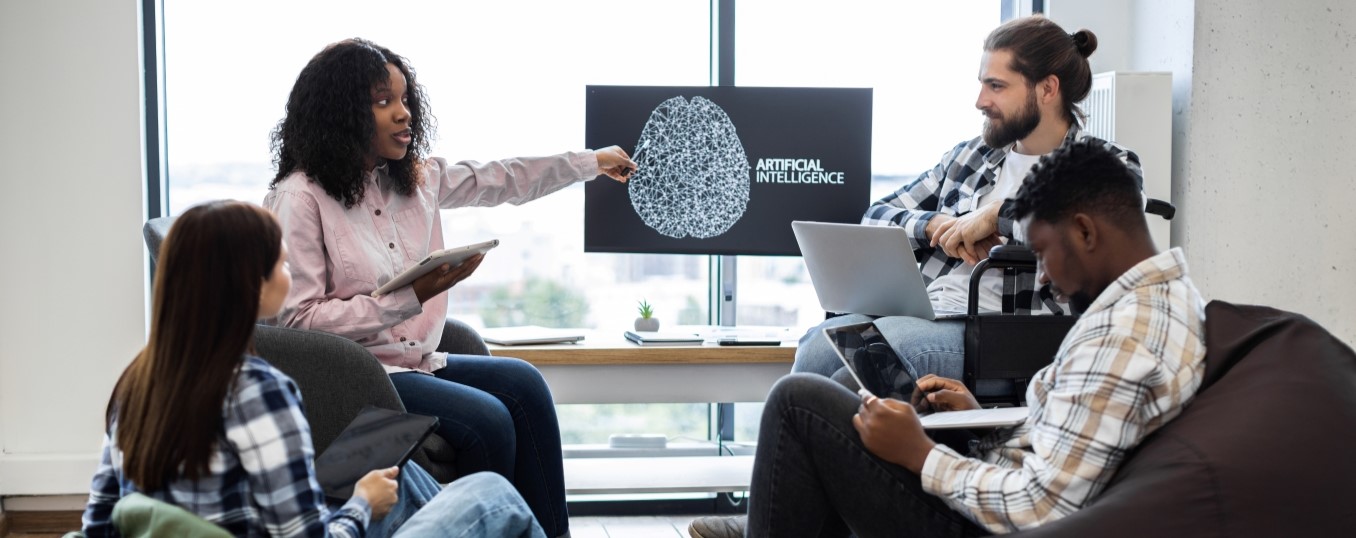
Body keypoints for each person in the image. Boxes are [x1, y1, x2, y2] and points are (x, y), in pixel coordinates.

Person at [687, 140, 1206, 537]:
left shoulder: (1122, 338)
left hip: (982, 521)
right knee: (832, 387)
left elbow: (1039, 510)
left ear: (1086, 233)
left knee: (797, 402)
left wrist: (920, 454)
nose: (1043, 277)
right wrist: (978, 423)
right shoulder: (1151, 305)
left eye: (1043, 253)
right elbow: (1068, 444)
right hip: (990, 479)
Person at [261, 38, 636, 538]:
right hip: (362, 382)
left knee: (526, 387)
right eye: (383, 102)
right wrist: (405, 299)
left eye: (404, 100)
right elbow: (297, 323)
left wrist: (591, 162)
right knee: (489, 421)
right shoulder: (300, 197)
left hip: (418, 362)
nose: (403, 114)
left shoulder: (416, 180)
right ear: (342, 113)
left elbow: (504, 179)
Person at [81, 200, 545, 538]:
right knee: (489, 492)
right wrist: (362, 504)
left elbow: (98, 523)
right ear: (249, 284)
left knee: (397, 468)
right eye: (281, 263)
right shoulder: (258, 391)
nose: (291, 270)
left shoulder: (134, 388)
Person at [793, 15, 1143, 396]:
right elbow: (875, 216)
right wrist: (936, 227)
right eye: (982, 84)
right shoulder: (970, 157)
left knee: (863, 368)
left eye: (996, 86)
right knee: (817, 347)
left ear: (1047, 89)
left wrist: (998, 215)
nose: (981, 101)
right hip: (926, 312)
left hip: (1000, 336)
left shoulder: (1106, 163)